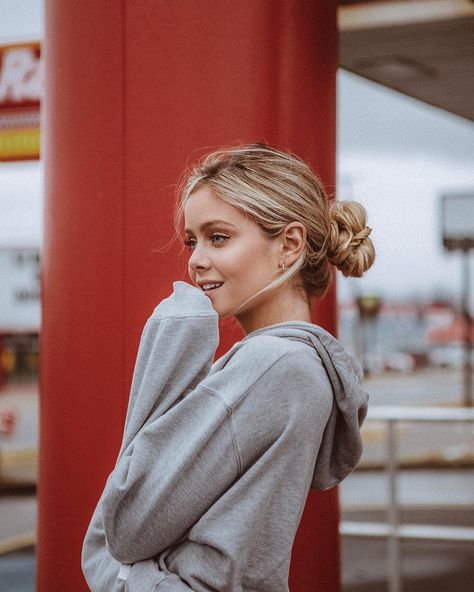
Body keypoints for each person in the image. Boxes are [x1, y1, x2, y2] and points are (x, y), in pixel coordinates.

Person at [82, 143, 375, 591]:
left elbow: (122, 528)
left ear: (290, 245)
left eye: (218, 237)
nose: (196, 259)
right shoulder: (294, 364)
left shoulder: (270, 364)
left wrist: (174, 336)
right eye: (192, 240)